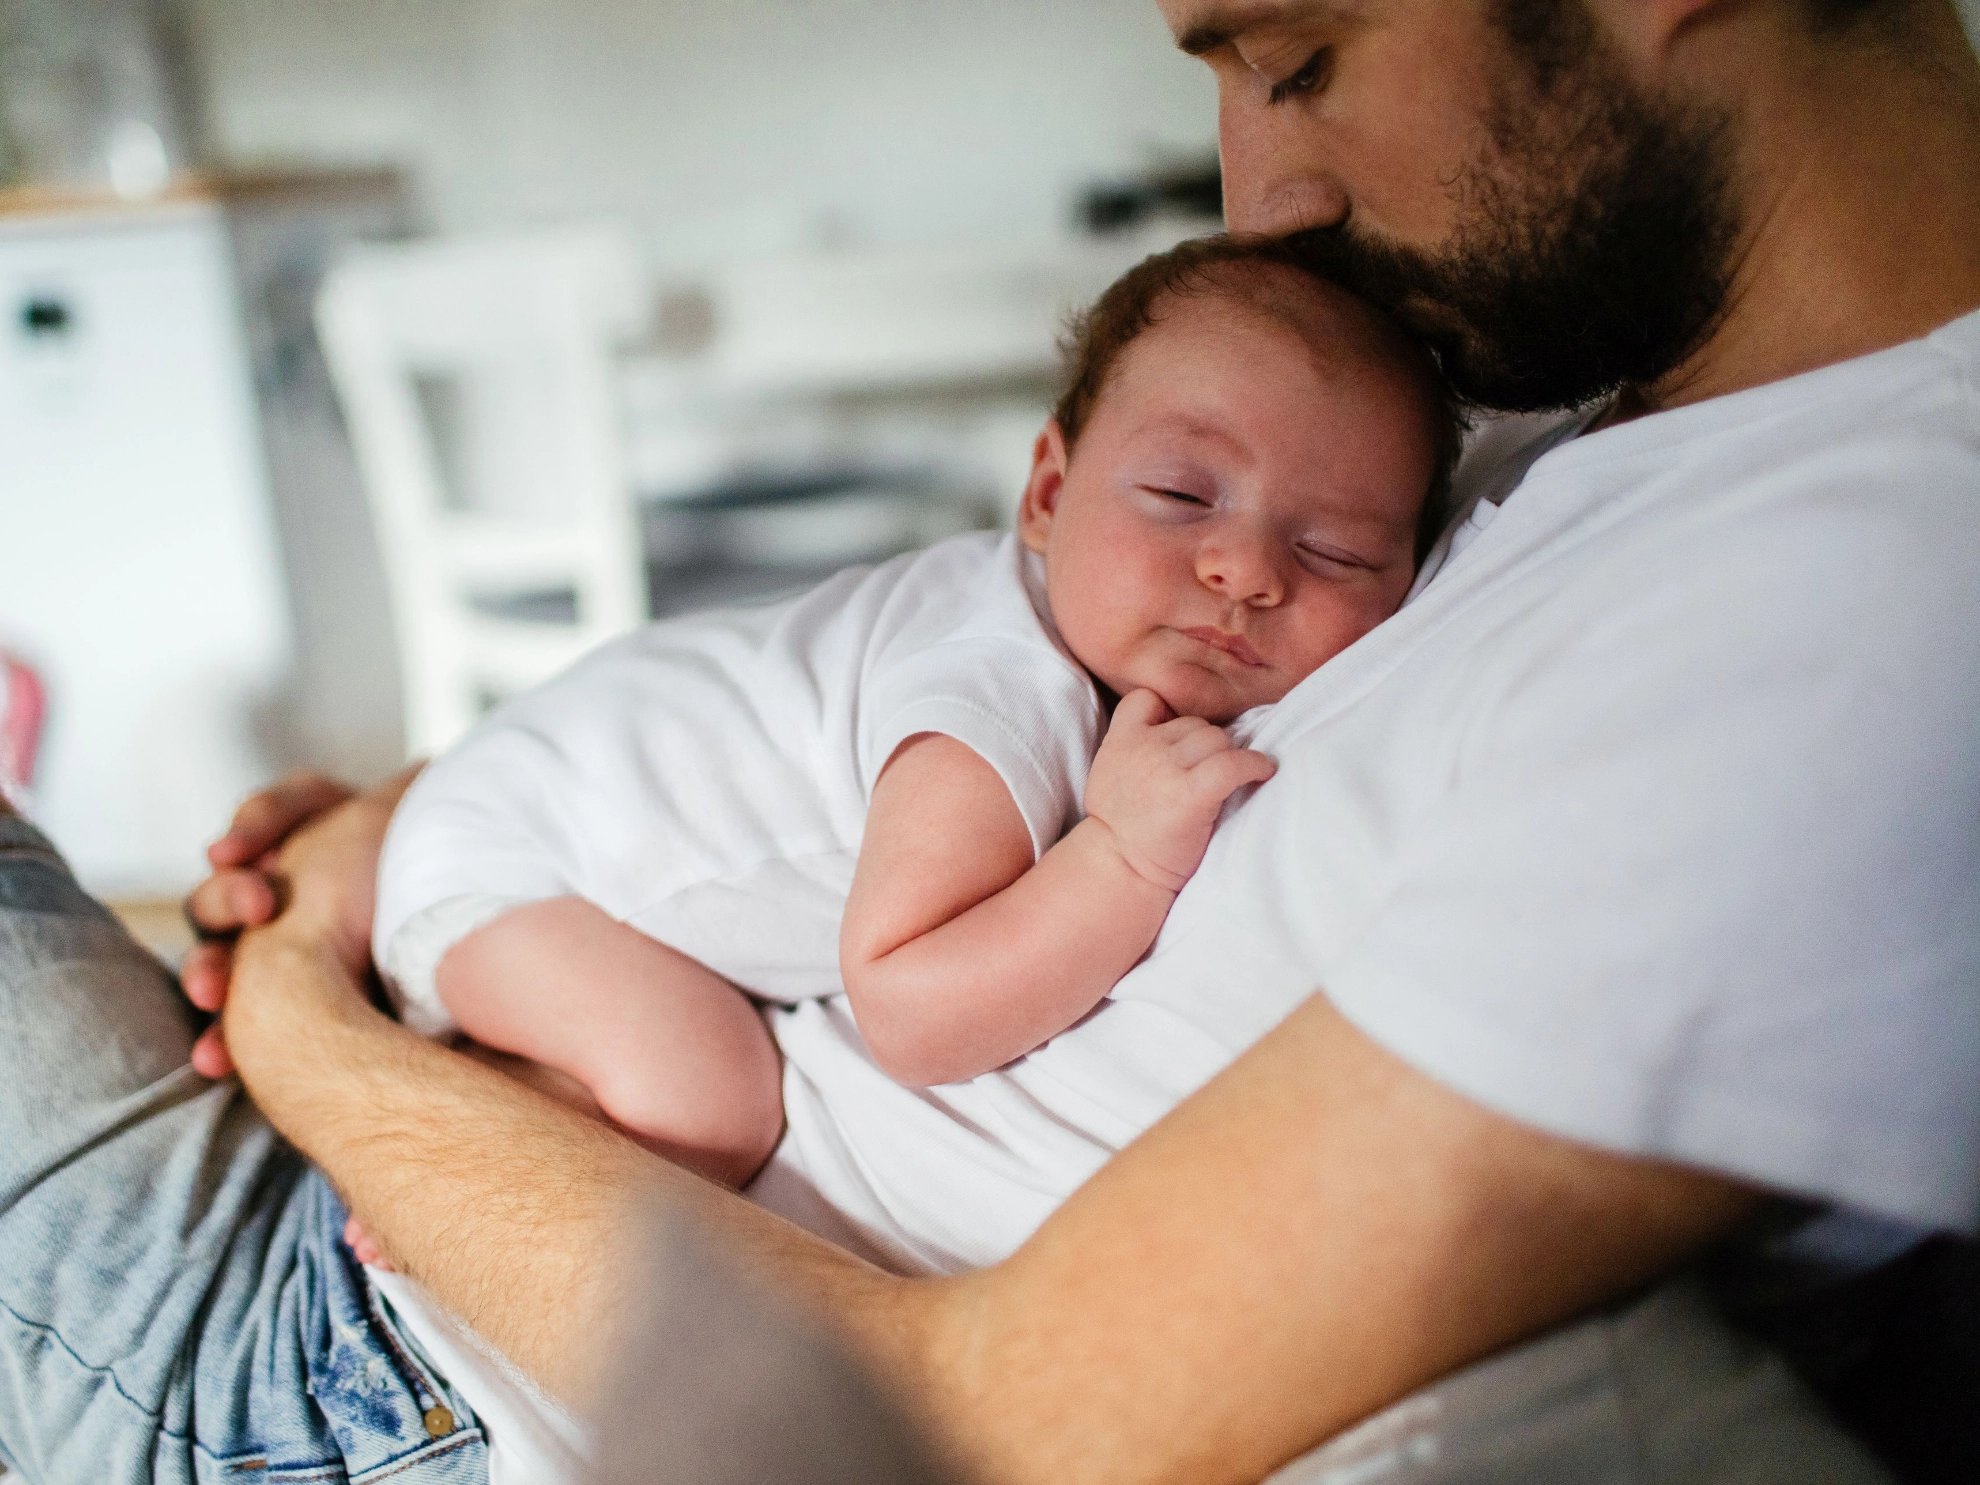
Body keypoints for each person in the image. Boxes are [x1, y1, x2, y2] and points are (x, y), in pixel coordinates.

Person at [3, 1, 1977, 1481]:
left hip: (378, 1381)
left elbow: (955, 1428)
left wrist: (311, 1021)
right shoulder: (1558, 415)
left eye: (1297, 58)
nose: (1266, 197)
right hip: (461, 1186)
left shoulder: (1871, 596)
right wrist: (412, 830)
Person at [360, 237, 1451, 1214]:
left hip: (533, 790)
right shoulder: (999, 693)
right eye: (1181, 494)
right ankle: (448, 1145)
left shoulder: (1076, 632)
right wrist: (1124, 856)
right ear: (1047, 495)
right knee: (712, 1100)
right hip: (509, 857)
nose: (1246, 569)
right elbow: (910, 1014)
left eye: (1338, 551)